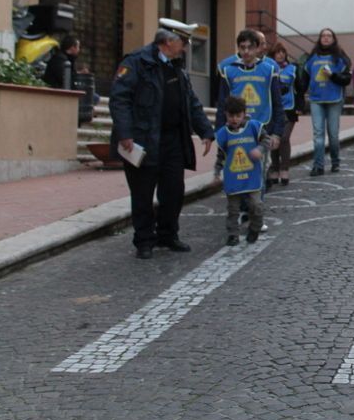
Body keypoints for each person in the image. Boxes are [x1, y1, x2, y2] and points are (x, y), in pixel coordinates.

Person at [109, 19, 214, 259]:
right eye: (183, 42)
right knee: (143, 194)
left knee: (174, 191)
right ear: (168, 42)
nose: (186, 47)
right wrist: (125, 133)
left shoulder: (177, 67)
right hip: (143, 140)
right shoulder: (136, 62)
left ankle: (168, 234)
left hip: (173, 141)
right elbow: (119, 98)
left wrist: (206, 130)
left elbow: (191, 102)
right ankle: (144, 240)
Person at [213, 95, 272, 245]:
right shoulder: (223, 134)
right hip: (233, 177)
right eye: (231, 116)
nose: (234, 119)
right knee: (233, 209)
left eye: (238, 116)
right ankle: (233, 234)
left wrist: (260, 149)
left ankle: (255, 227)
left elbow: (267, 140)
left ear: (244, 113)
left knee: (256, 205)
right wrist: (216, 173)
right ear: (226, 114)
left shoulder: (253, 127)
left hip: (252, 175)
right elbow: (221, 156)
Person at [304, 28, 351, 176]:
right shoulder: (312, 57)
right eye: (323, 36)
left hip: (334, 99)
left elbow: (346, 79)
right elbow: (305, 77)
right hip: (316, 99)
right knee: (318, 134)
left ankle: (335, 161)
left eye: (329, 36)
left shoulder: (339, 57)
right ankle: (318, 165)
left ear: (333, 39)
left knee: (333, 135)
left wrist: (332, 75)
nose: (325, 38)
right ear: (319, 39)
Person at [267, 43, 300, 186]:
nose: (280, 55)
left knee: (284, 138)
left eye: (282, 52)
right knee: (274, 139)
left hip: (289, 109)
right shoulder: (269, 68)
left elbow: (300, 88)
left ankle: (285, 168)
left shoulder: (293, 69)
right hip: (273, 110)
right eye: (277, 52)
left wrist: (300, 106)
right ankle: (274, 168)